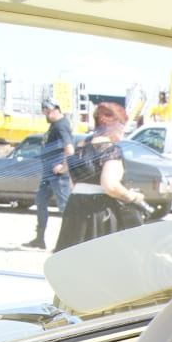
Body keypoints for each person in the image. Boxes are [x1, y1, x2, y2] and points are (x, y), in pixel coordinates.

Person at [53, 101, 147, 252]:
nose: (124, 130)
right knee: (100, 261)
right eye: (122, 125)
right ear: (113, 124)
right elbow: (110, 185)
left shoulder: (80, 146)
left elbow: (72, 183)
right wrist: (131, 196)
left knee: (74, 258)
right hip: (99, 211)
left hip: (75, 206)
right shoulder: (110, 149)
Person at [24, 99, 73, 248]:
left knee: (64, 207)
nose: (46, 115)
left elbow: (69, 149)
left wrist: (63, 167)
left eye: (47, 112)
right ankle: (40, 239)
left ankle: (70, 241)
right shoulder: (54, 125)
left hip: (57, 175)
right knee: (40, 202)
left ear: (55, 109)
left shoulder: (61, 125)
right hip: (48, 173)